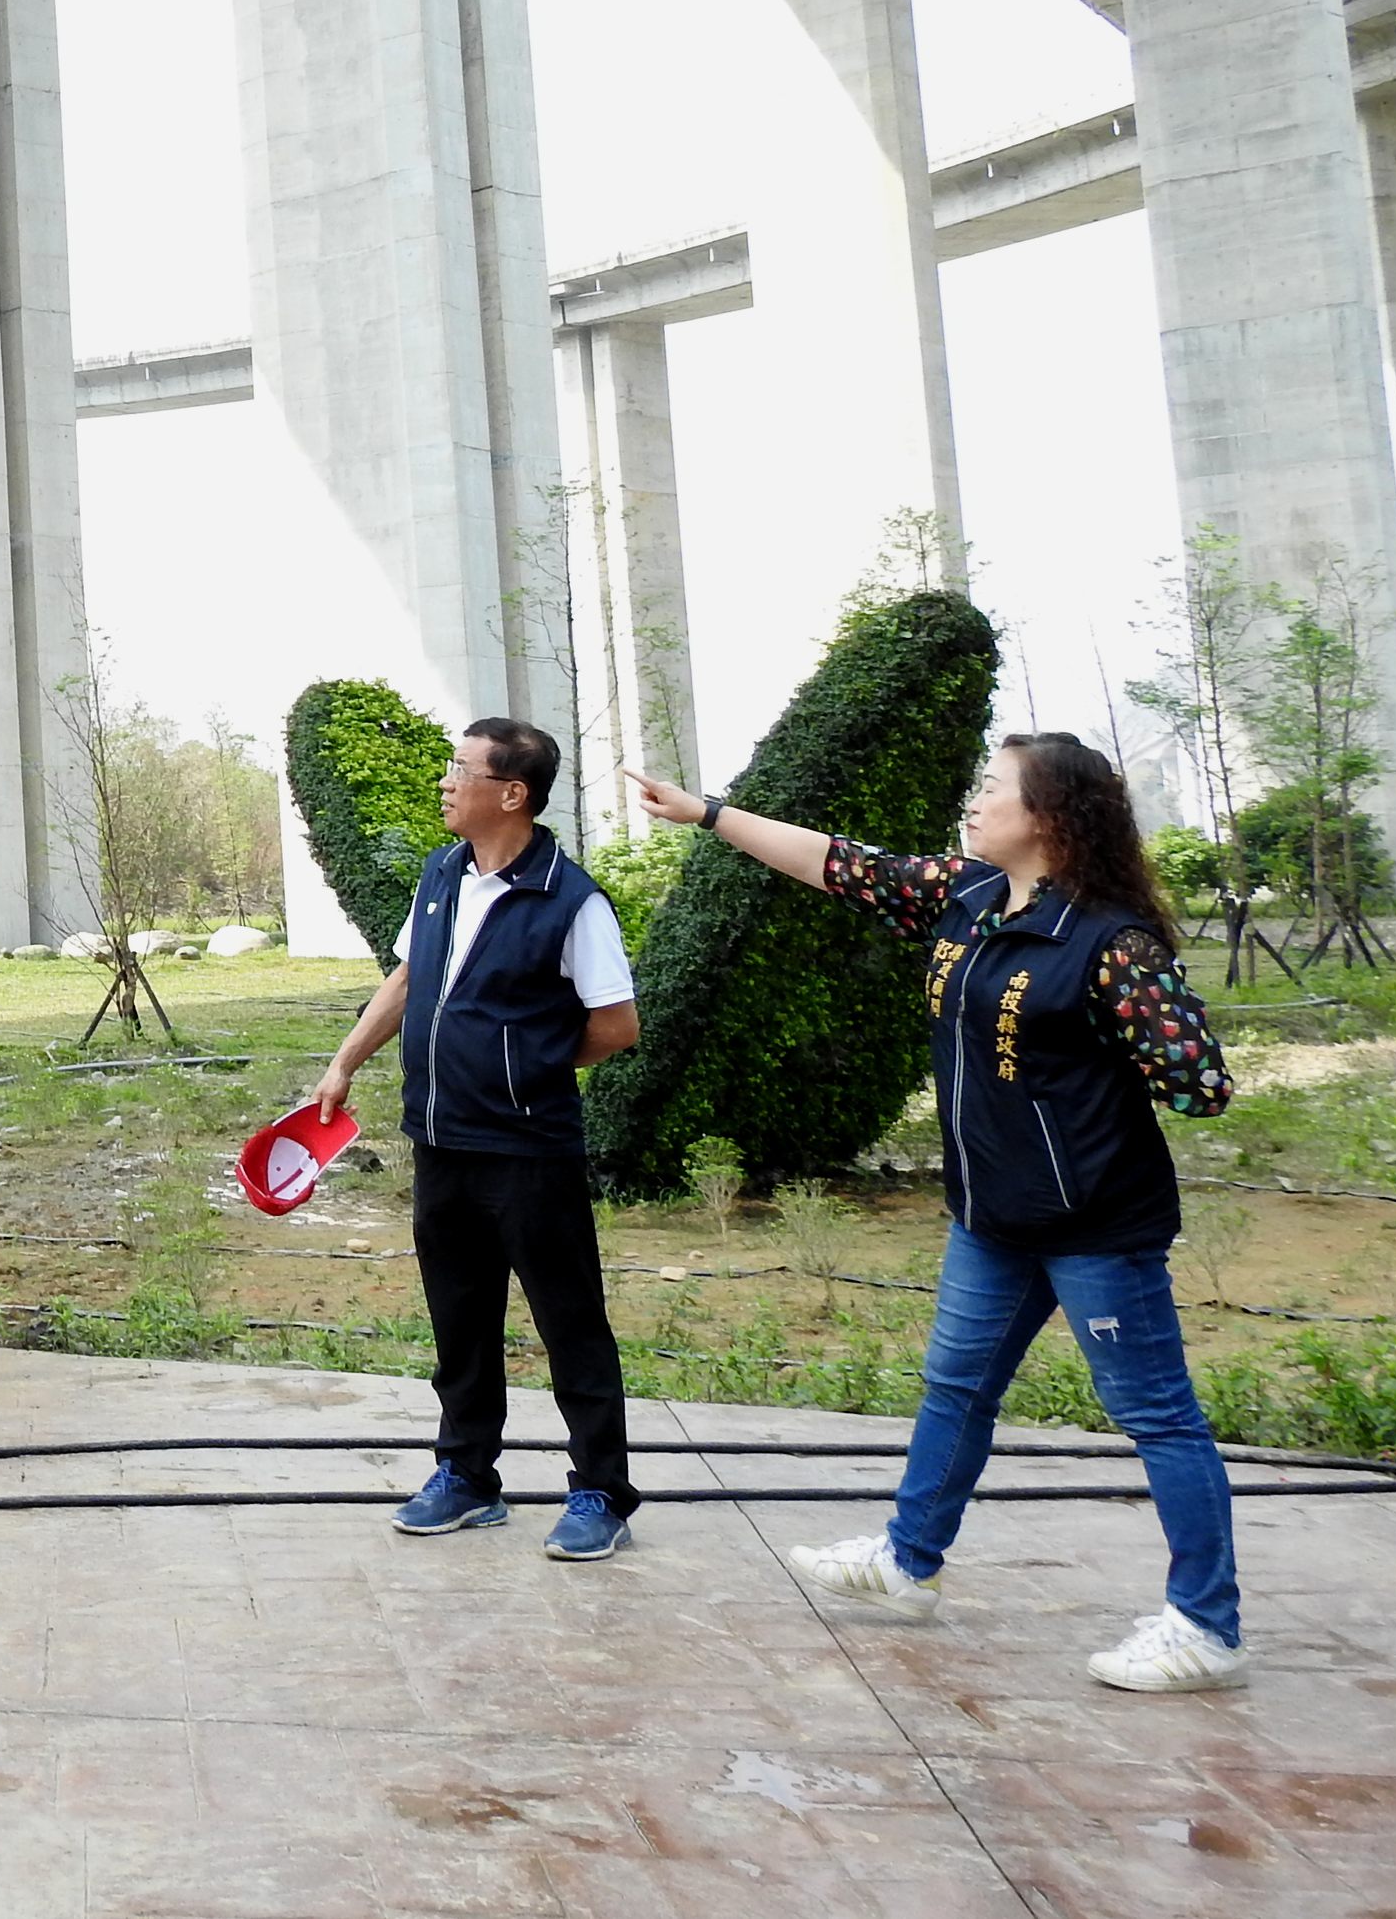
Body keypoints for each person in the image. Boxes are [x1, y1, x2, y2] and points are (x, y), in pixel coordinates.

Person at [622, 735, 1244, 1693]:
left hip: (1094, 1230)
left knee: (1156, 1417)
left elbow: (1199, 1083)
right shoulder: (969, 897)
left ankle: (1206, 1629)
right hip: (990, 1218)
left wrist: (1098, 1081)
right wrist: (708, 813)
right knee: (955, 1389)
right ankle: (909, 1562)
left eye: (992, 789)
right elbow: (840, 864)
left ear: (1046, 816)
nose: (973, 800)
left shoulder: (1110, 944)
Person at [312, 718, 644, 1560]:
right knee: (460, 1321)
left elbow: (616, 1025)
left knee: (572, 1325)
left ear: (512, 793)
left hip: (529, 1149)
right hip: (440, 1137)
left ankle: (600, 1490)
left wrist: (524, 1063)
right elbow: (409, 975)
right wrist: (346, 1060)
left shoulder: (573, 901)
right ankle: (466, 1475)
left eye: (461, 769)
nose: (446, 782)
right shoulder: (444, 874)